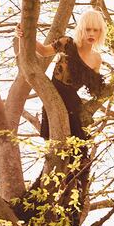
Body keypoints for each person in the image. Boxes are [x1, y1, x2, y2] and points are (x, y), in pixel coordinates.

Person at [15, 9, 107, 143]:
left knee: (77, 150)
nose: (91, 33)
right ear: (81, 29)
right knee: (59, 145)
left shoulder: (96, 59)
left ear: (100, 32)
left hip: (73, 104)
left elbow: (96, 89)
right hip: (54, 95)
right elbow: (44, 51)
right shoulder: (67, 43)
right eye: (88, 29)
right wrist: (23, 34)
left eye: (95, 30)